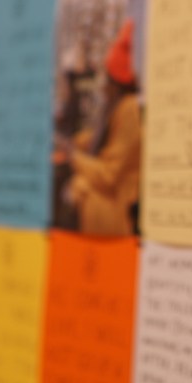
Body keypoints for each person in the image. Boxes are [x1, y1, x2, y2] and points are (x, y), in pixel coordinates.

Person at [58, 19, 141, 235]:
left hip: (115, 216)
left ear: (116, 83)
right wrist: (71, 143)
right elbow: (93, 138)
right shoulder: (117, 108)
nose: (102, 88)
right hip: (103, 212)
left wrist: (74, 157)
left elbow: (108, 176)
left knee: (76, 186)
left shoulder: (129, 109)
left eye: (107, 80)